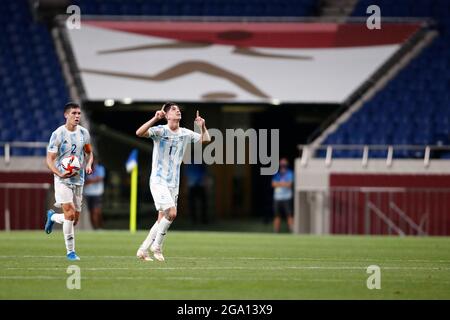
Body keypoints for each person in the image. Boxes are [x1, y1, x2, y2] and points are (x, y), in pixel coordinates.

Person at [135, 102, 210, 261]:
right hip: (158, 180)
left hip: (173, 183)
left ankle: (142, 250)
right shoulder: (160, 130)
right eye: (174, 110)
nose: (178, 111)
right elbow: (139, 132)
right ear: (167, 115)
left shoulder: (184, 133)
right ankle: (158, 246)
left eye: (178, 109)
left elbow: (205, 139)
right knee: (172, 213)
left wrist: (202, 126)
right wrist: (155, 119)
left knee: (161, 218)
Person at [44, 102, 93, 261]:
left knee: (74, 219)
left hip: (78, 179)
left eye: (79, 113)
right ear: (66, 115)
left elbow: (89, 153)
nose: (77, 116)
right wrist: (59, 173)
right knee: (70, 214)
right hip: (62, 179)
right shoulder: (58, 134)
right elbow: (50, 159)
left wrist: (89, 164)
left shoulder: (84, 133)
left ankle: (52, 217)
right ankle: (70, 252)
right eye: (74, 113)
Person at [272, 157, 294, 233]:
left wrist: (279, 184)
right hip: (277, 198)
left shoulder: (290, 173)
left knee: (289, 214)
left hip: (287, 197)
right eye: (281, 165)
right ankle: (276, 231)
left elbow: (289, 184)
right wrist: (284, 184)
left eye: (284, 165)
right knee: (277, 215)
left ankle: (291, 230)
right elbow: (273, 184)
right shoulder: (276, 174)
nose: (283, 166)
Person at [83, 159, 105, 229]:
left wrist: (89, 181)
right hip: (88, 194)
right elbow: (83, 181)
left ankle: (99, 226)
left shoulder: (100, 168)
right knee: (91, 212)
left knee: (97, 211)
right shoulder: (85, 168)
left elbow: (100, 178)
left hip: (97, 193)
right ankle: (95, 227)